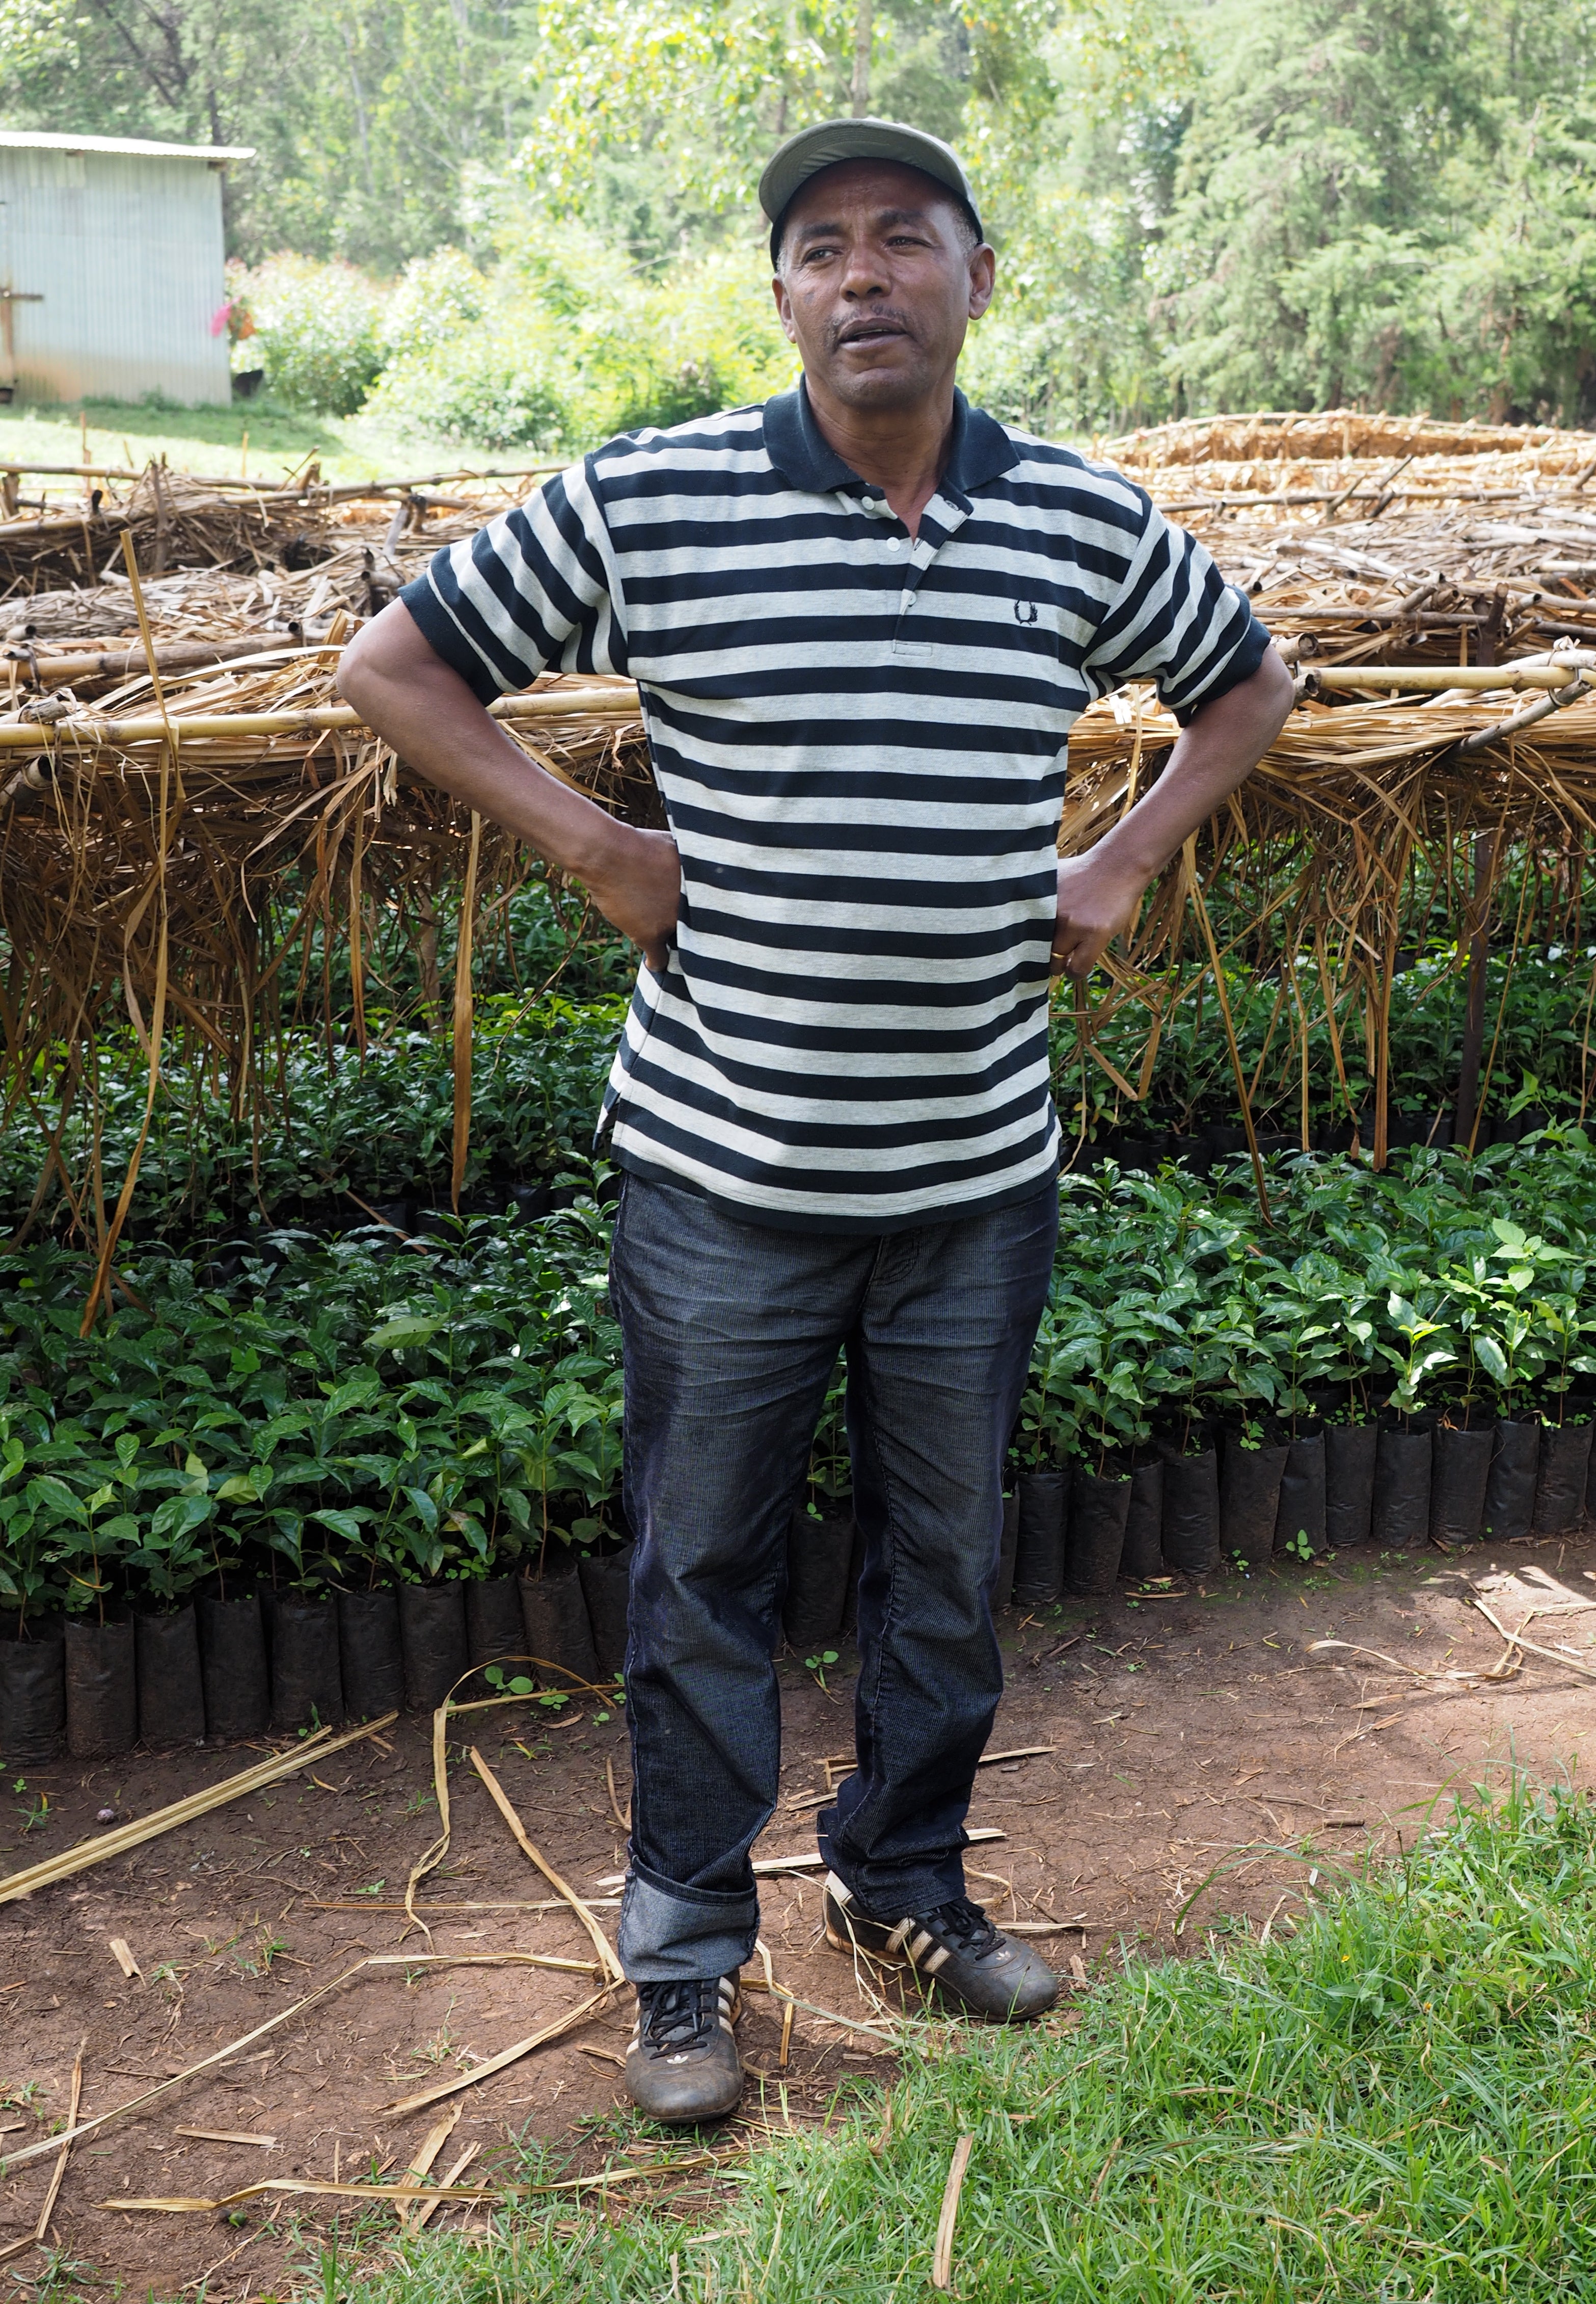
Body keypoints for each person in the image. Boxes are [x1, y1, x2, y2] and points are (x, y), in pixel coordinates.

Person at [337, 115, 1294, 2125]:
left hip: (975, 1176)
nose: (866, 277)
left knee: (944, 1567)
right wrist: (597, 844)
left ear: (976, 280)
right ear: (783, 298)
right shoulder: (659, 499)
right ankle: (687, 1954)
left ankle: (907, 1886)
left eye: (905, 242)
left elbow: (1247, 681)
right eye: (825, 249)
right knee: (706, 1571)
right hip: (726, 1175)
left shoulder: (1077, 521)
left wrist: (1120, 865)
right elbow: (400, 664)